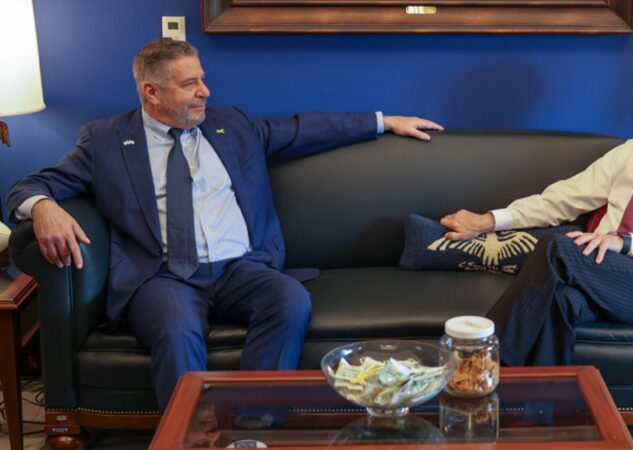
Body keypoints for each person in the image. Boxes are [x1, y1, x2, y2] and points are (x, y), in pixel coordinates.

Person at [6, 37, 443, 410]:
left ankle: (253, 422)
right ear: (151, 92)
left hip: (241, 268)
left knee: (289, 300)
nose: (205, 92)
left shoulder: (230, 125)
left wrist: (384, 121)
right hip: (163, 275)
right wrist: (43, 207)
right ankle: (190, 432)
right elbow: (30, 186)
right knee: (177, 331)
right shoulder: (104, 140)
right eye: (190, 83)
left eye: (202, 78)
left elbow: (301, 129)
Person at [440, 47, 633, 367]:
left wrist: (625, 243)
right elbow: (561, 200)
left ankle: (478, 364)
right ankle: (545, 408)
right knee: (562, 300)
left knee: (559, 245)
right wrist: (488, 221)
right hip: (604, 272)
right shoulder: (632, 151)